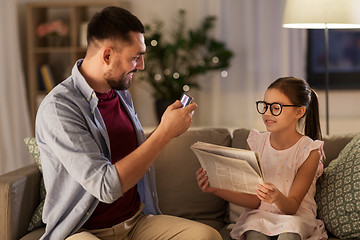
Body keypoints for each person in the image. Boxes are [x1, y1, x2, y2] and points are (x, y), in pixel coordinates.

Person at [36, 6, 222, 240]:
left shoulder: (120, 92)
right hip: (82, 231)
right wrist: (163, 133)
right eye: (135, 57)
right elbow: (106, 187)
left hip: (135, 223)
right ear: (107, 55)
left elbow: (130, 153)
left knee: (208, 236)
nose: (142, 66)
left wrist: (167, 128)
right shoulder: (60, 108)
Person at [196, 77, 328, 240]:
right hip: (261, 216)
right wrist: (215, 189)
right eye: (265, 106)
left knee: (289, 235)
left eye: (275, 108)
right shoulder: (255, 143)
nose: (266, 113)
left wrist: (277, 197)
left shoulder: (309, 151)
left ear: (299, 112)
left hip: (295, 218)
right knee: (254, 233)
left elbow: (292, 207)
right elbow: (253, 201)